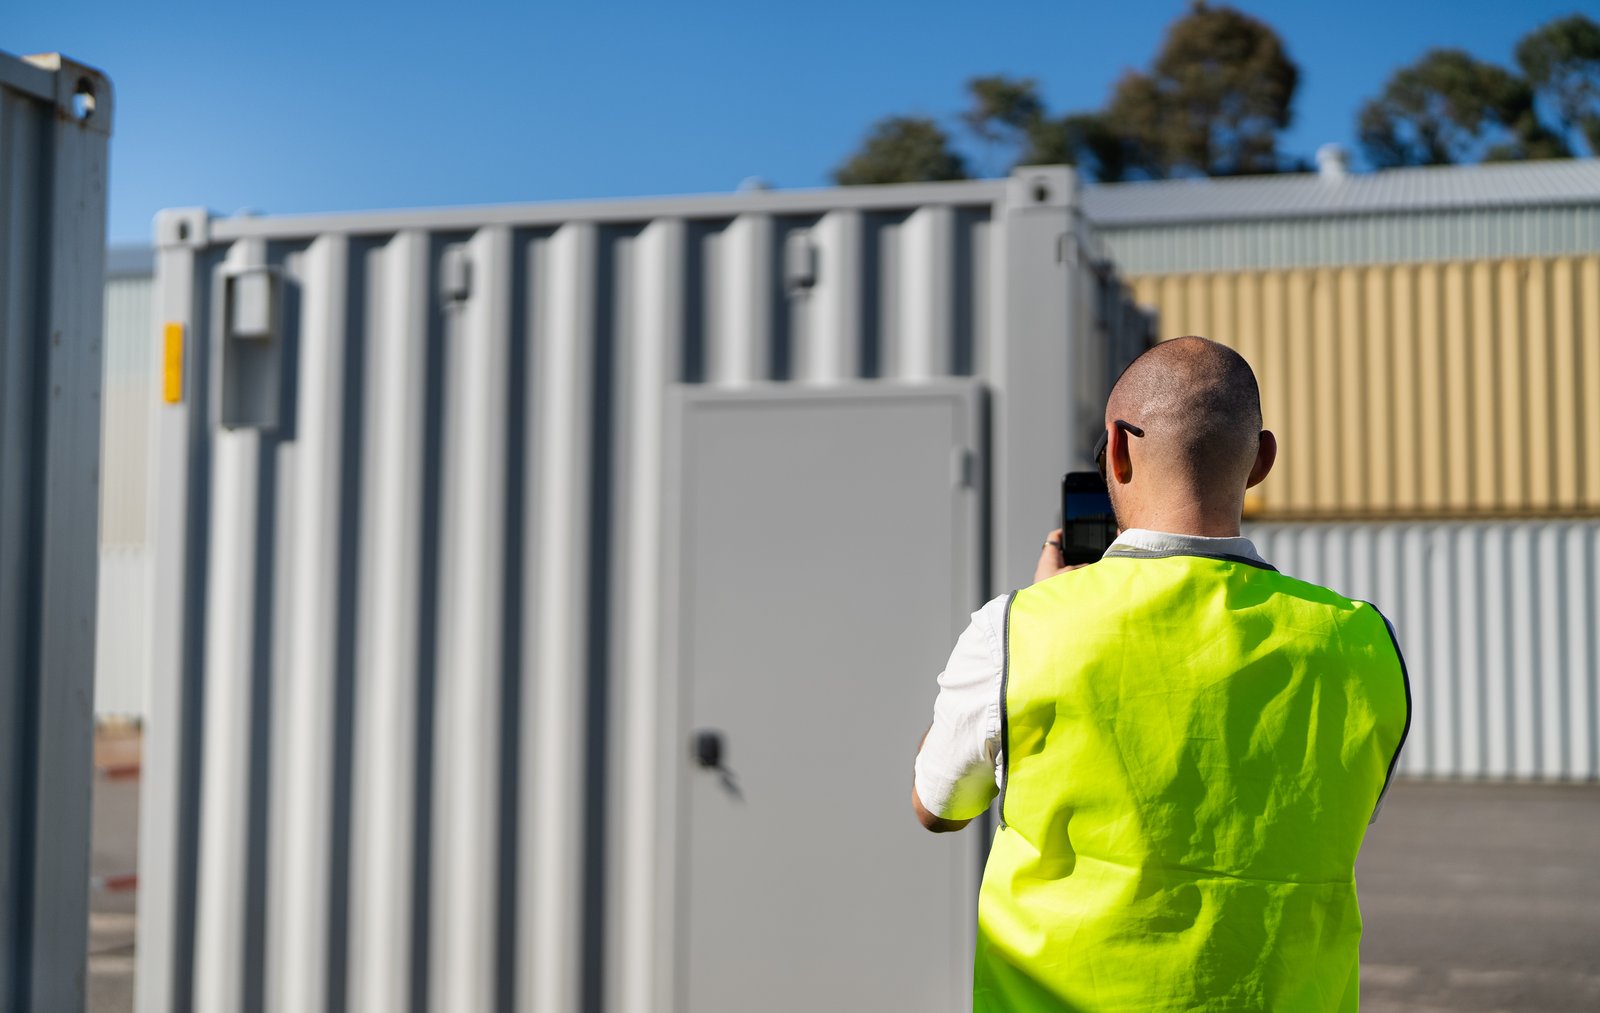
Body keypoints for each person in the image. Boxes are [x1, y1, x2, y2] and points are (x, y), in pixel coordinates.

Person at [911, 336, 1410, 1012]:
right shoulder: (1362, 641)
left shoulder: (1020, 629)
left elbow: (939, 805)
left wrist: (1047, 610)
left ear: (1117, 449)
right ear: (1261, 459)